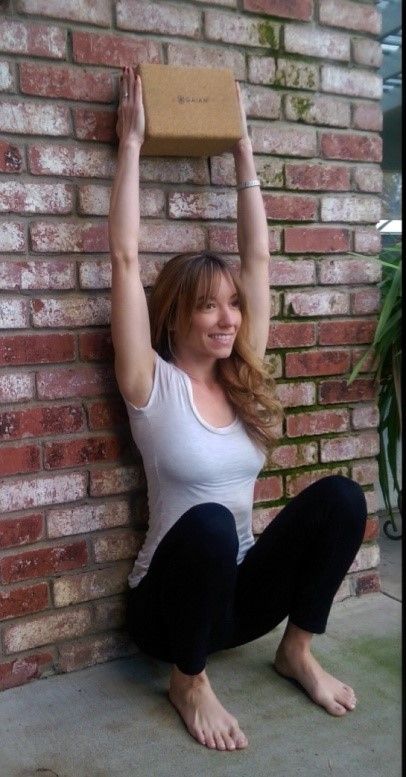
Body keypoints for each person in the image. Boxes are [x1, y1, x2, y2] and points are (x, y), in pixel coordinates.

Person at [108, 66, 367, 752]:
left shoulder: (240, 366)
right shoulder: (149, 382)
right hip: (166, 614)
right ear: (175, 316)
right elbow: (125, 255)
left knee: (342, 498)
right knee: (210, 526)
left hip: (234, 603)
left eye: (232, 304)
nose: (227, 318)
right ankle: (188, 682)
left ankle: (298, 650)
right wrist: (131, 144)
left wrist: (243, 146)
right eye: (207, 305)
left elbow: (258, 255)